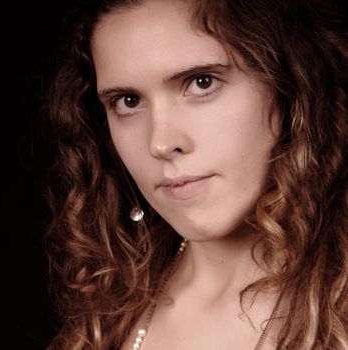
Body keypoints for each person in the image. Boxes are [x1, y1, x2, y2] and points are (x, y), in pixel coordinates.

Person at [42, 0, 348, 348]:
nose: (160, 142)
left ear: (292, 85)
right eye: (128, 101)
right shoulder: (110, 309)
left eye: (201, 83)